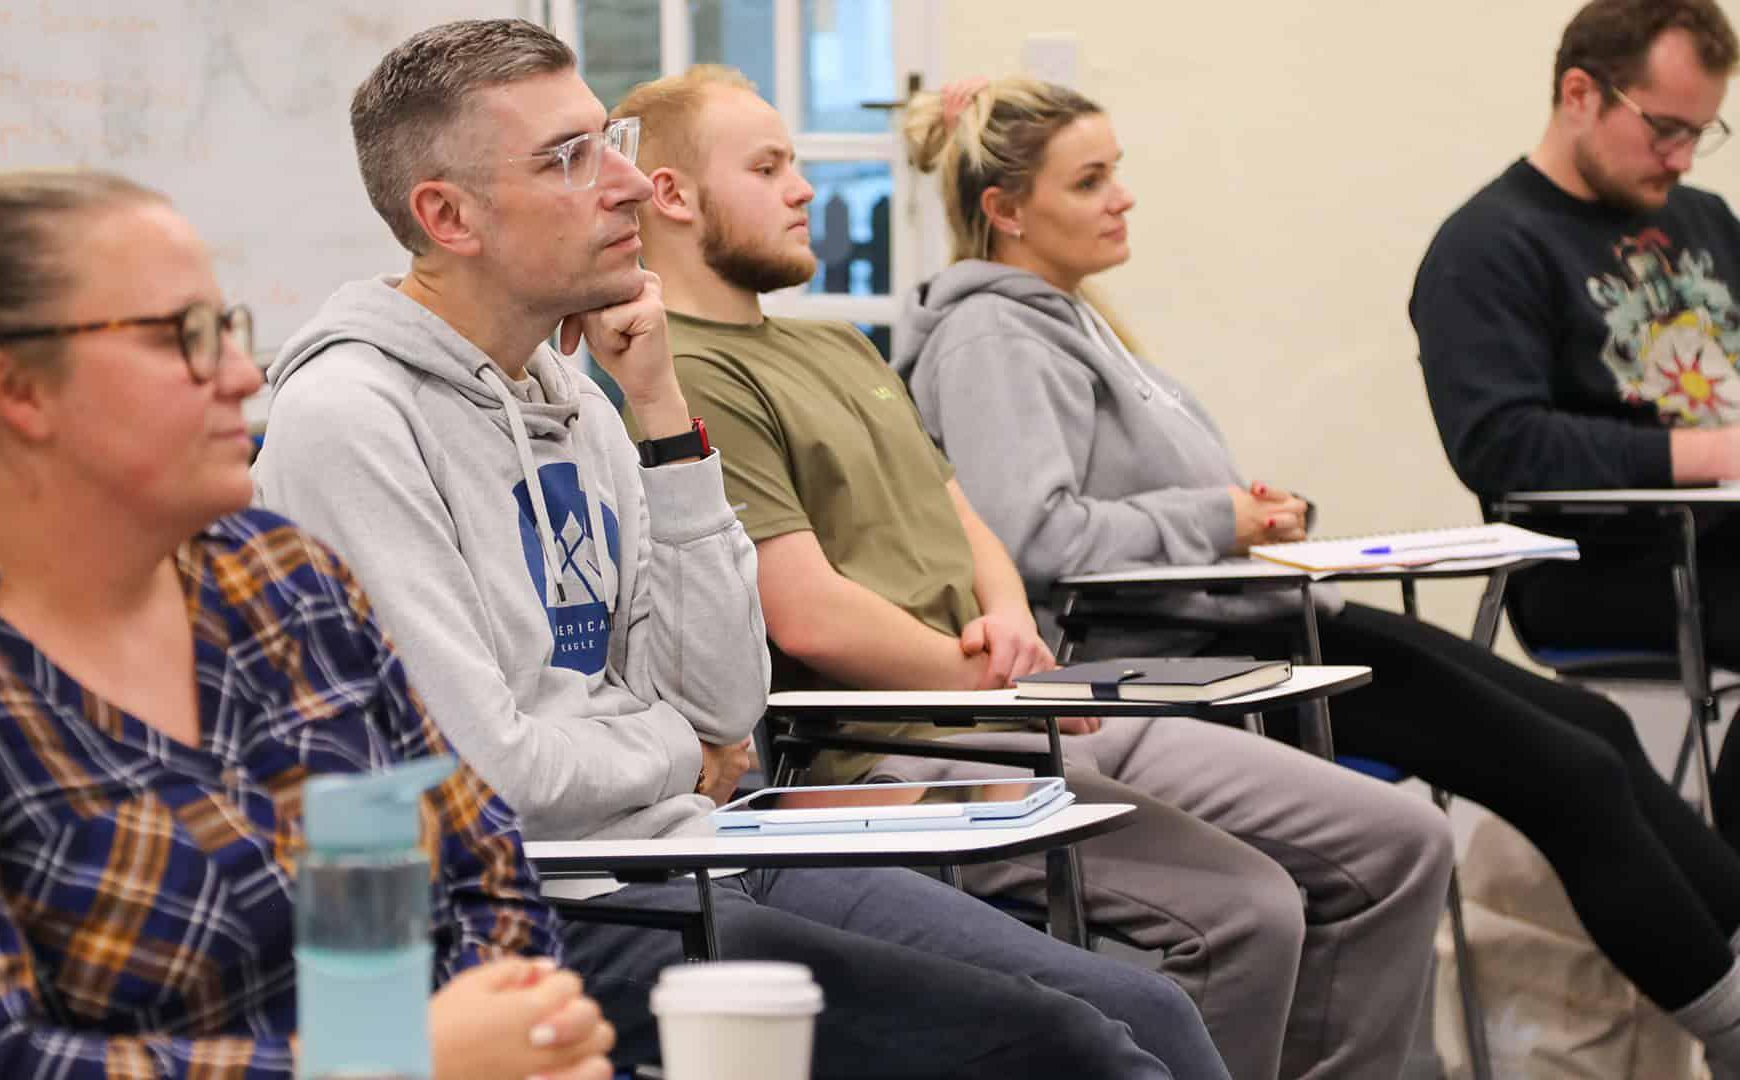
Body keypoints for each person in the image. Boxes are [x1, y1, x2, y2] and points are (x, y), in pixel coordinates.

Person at [251, 18, 1220, 1080]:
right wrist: (688, 758)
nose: (625, 184)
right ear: (448, 215)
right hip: (548, 907)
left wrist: (662, 414)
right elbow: (491, 777)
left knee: (1147, 1008)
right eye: (571, 159)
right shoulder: (350, 418)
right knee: (1070, 1051)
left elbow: (723, 702)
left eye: (608, 138)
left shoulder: (578, 391)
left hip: (700, 848)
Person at [893, 66, 1740, 1076]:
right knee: (1569, 773)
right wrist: (1224, 519)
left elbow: (1131, 508)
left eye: (1116, 172)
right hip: (1181, 653)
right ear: (1006, 210)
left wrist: (1252, 515)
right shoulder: (991, 334)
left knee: (1590, 734)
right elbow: (1036, 537)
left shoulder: (1079, 323)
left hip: (1249, 617)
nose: (1122, 197)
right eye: (1089, 181)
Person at [616, 64, 1454, 1080]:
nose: (803, 188)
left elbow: (965, 516)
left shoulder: (839, 344)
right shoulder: (688, 373)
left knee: (1399, 841)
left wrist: (1010, 623)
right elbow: (807, 615)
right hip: (898, 741)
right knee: (1247, 912)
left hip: (1019, 696)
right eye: (769, 166)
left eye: (796, 161)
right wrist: (977, 677)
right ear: (670, 196)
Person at [0, 169, 613, 1080]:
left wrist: (513, 1039)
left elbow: (489, 877)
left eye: (226, 327)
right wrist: (387, 1062)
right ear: (16, 392)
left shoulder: (278, 574)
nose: (246, 372)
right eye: (183, 339)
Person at [1412, 0, 1740, 836]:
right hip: (1607, 567)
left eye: (1701, 132)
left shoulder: (1705, 221)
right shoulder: (1488, 246)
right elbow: (1502, 447)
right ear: (1580, 93)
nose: (1680, 156)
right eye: (1664, 127)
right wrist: (1712, 453)